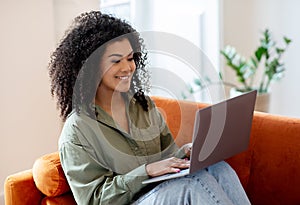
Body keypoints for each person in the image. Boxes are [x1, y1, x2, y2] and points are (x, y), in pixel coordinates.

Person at [48, 11, 251, 205]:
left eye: (130, 58)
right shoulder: (77, 130)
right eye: (116, 61)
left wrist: (187, 154)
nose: (127, 67)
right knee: (192, 187)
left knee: (219, 168)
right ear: (91, 67)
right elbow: (93, 200)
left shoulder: (142, 106)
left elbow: (167, 160)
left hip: (162, 192)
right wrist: (146, 171)